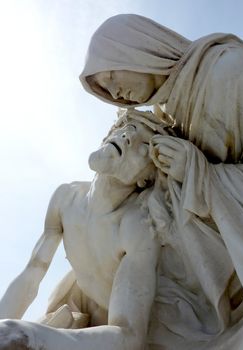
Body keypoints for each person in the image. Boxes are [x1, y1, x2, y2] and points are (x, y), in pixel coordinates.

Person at [78, 13, 243, 348]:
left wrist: (199, 173)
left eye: (110, 74)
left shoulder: (230, 71)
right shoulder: (169, 119)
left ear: (136, 47)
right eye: (105, 89)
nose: (113, 90)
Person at [0, 110, 174, 350]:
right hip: (77, 308)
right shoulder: (66, 198)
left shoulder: (136, 228)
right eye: (124, 128)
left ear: (146, 178)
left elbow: (130, 335)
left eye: (141, 144)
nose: (126, 137)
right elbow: (32, 273)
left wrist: (30, 335)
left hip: (113, 334)